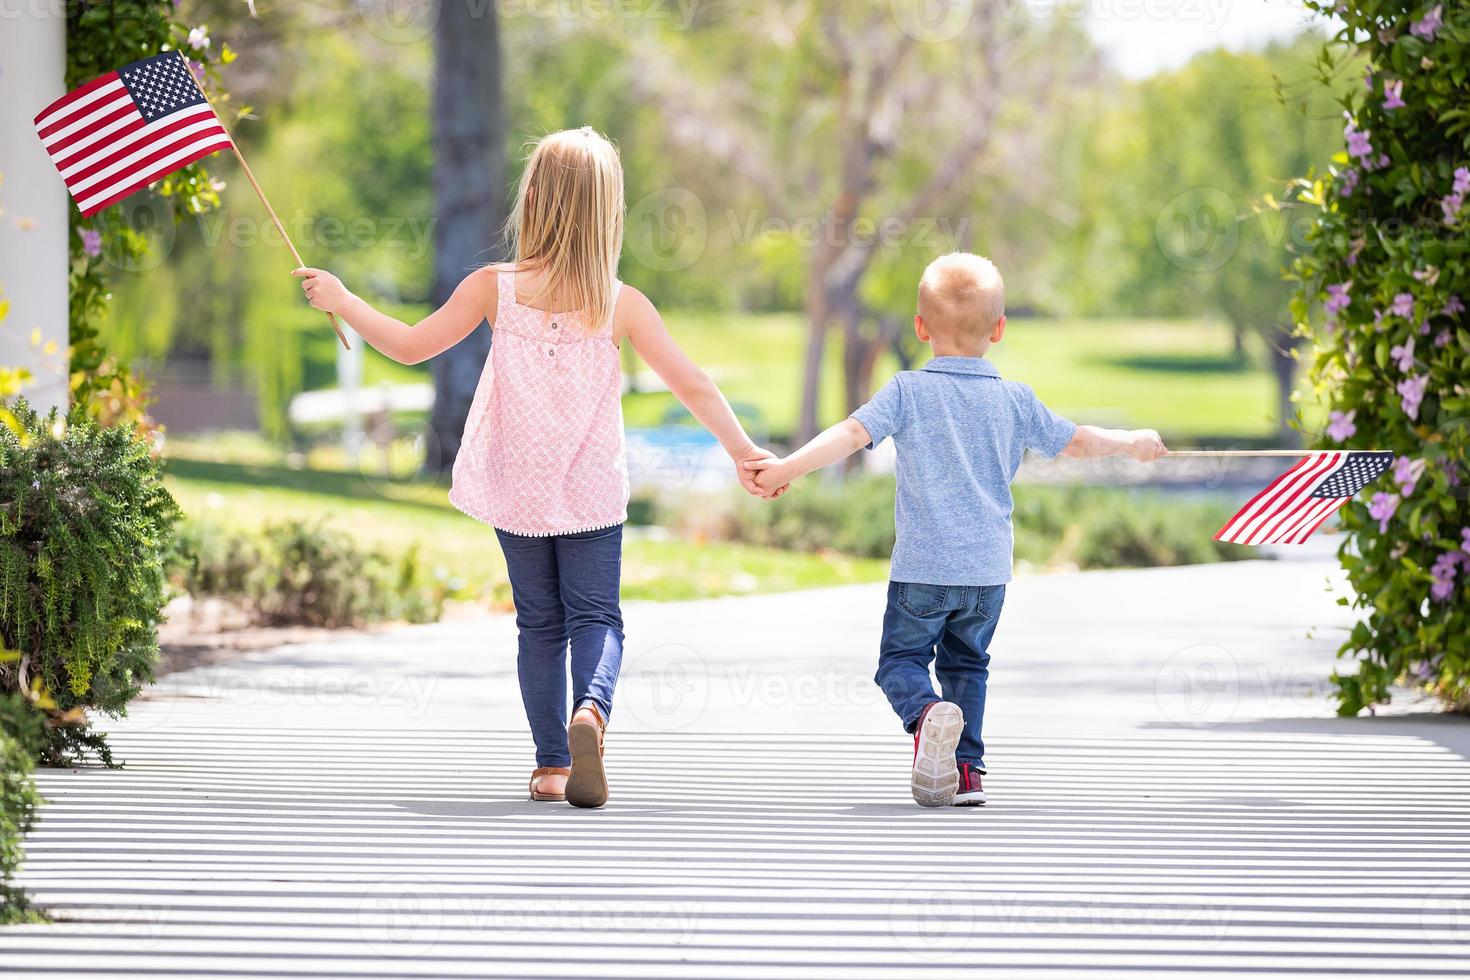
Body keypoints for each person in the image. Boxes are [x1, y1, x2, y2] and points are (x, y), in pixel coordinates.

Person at [294, 128, 780, 808]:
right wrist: (742, 451)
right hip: (590, 487)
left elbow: (409, 347)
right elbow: (692, 384)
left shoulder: (494, 288)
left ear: (535, 203)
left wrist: (343, 299)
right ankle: (593, 712)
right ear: (607, 211)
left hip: (515, 480)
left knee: (539, 624)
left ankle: (552, 765)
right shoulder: (622, 304)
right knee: (596, 617)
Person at [746, 252, 1166, 807]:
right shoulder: (1015, 399)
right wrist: (1132, 440)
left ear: (920, 328)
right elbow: (1077, 441)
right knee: (968, 664)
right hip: (988, 574)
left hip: (924, 567)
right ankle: (967, 774)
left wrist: (784, 468)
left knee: (899, 663)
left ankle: (925, 715)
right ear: (999, 329)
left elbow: (850, 435)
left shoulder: (907, 391)